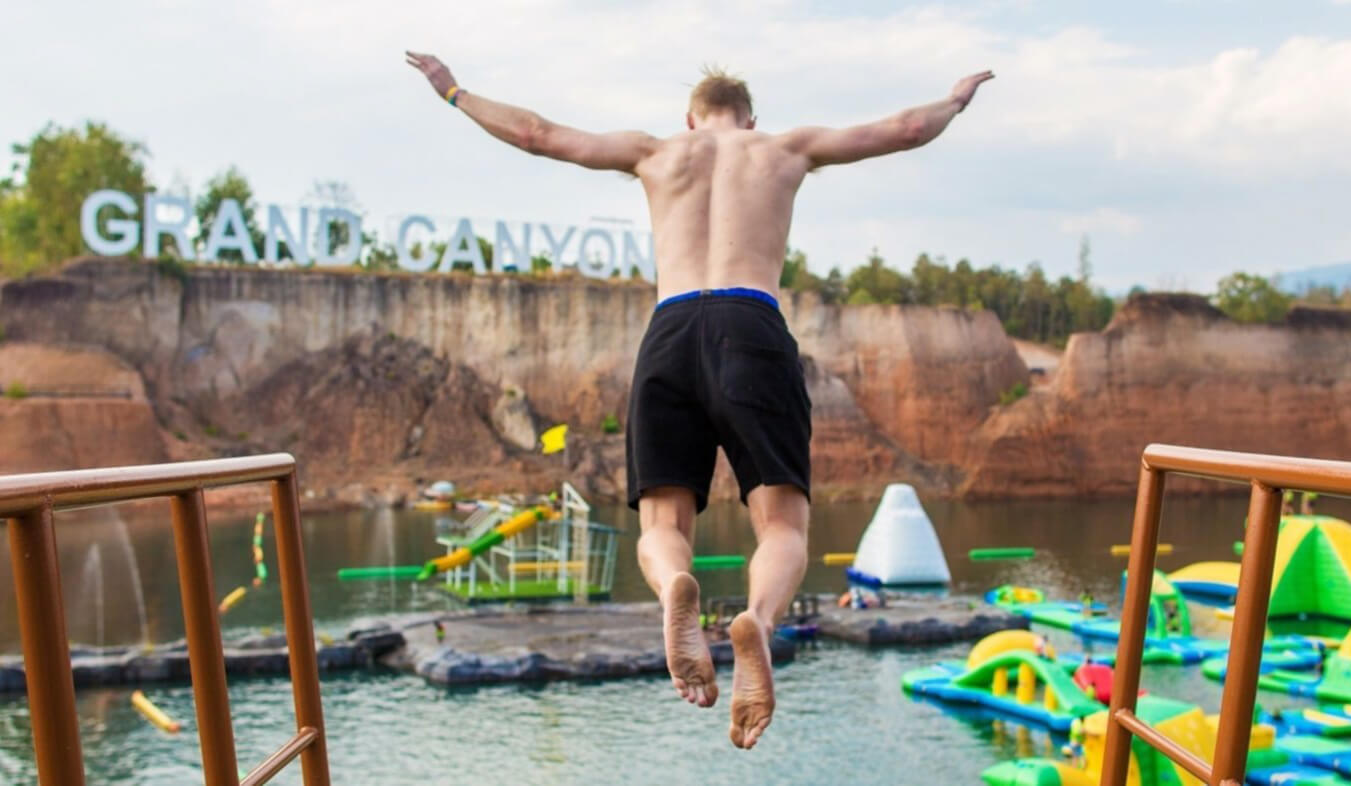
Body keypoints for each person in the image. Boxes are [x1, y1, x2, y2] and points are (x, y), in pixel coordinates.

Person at [406, 51, 993, 749]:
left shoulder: (654, 151)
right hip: (751, 324)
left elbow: (538, 133)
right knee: (780, 526)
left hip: (671, 330)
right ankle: (757, 626)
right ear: (749, 118)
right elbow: (901, 127)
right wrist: (954, 100)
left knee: (663, 520)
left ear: (690, 119)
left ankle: (674, 589)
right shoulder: (784, 148)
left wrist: (454, 92)